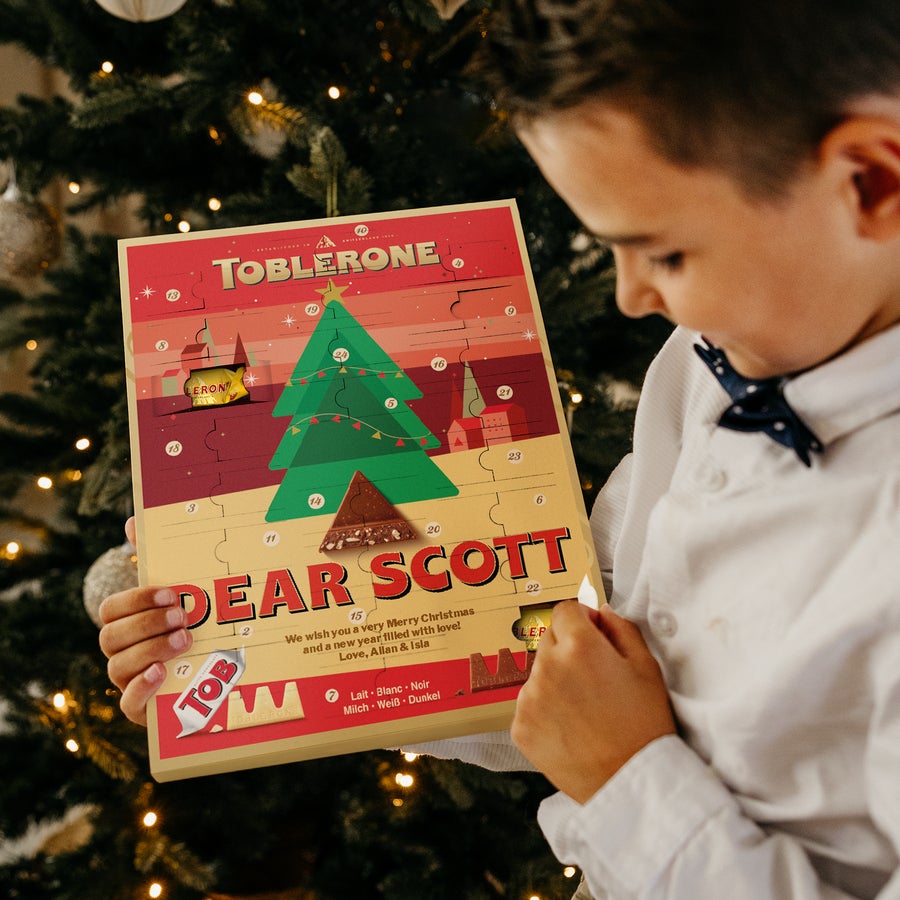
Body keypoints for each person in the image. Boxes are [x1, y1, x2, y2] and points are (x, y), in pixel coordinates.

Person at [99, 1, 900, 896]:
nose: (633, 298)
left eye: (666, 253)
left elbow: (607, 740)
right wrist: (272, 636)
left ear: (869, 180)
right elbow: (566, 646)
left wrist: (626, 780)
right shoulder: (711, 357)